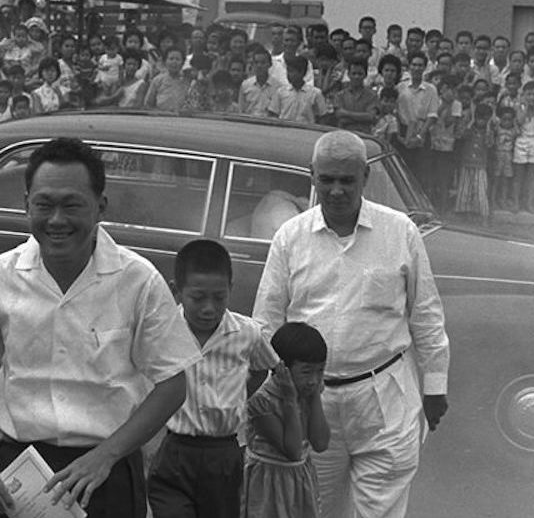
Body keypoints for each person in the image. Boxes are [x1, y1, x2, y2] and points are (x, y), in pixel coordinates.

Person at [0, 138, 202, 518]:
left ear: (100, 207)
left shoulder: (138, 280)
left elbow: (173, 384)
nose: (57, 220)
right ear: (26, 204)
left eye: (72, 205)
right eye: (44, 205)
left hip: (104, 474)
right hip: (18, 471)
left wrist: (105, 455)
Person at [253, 130, 450, 518]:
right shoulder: (290, 238)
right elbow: (267, 323)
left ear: (365, 177)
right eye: (327, 179)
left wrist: (435, 387)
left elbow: (426, 316)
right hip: (313, 401)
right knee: (313, 508)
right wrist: (269, 397)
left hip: (385, 399)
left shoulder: (400, 232)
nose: (337, 190)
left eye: (347, 180)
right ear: (312, 176)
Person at [147, 240, 278, 518]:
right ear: (176, 291)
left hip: (223, 453)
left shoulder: (248, 333)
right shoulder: (163, 331)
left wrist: (236, 396)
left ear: (231, 289)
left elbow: (263, 367)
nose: (208, 308)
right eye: (198, 298)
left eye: (219, 298)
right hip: (175, 451)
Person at [241, 323, 330, 518]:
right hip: (268, 482)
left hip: (300, 480)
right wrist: (290, 400)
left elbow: (321, 443)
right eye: (306, 372)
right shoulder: (261, 401)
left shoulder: (309, 392)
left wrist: (314, 397)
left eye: (320, 371)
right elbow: (293, 450)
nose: (314, 380)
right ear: (282, 369)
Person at [396, 51, 439, 184]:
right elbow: (396, 112)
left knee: (421, 172)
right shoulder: (400, 87)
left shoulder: (431, 89)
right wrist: (400, 135)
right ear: (409, 67)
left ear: (425, 67)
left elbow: (432, 115)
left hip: (423, 131)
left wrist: (420, 136)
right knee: (403, 170)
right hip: (404, 131)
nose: (417, 68)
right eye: (414, 65)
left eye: (420, 65)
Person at [429, 74, 462, 214]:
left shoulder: (456, 104)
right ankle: (431, 204)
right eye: (448, 89)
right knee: (432, 175)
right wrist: (442, 104)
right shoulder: (435, 101)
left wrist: (447, 105)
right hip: (432, 142)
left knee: (444, 176)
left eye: (454, 90)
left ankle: (442, 207)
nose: (452, 93)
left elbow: (449, 121)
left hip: (448, 146)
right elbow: (431, 117)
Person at [455, 103, 494, 224]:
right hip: (467, 163)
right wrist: (471, 122)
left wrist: (488, 127)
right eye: (479, 118)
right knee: (465, 190)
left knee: (481, 190)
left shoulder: (489, 132)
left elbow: (489, 143)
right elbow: (461, 135)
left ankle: (484, 216)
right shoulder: (470, 130)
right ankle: (464, 214)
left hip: (480, 165)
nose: (481, 121)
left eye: (485, 119)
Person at [512, 80, 534, 212]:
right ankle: (515, 202)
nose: (531, 97)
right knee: (518, 175)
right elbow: (519, 121)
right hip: (521, 141)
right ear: (524, 95)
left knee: (532, 175)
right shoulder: (520, 107)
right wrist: (524, 107)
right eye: (529, 94)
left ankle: (529, 202)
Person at [267, 56, 328, 124]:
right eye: (288, 71)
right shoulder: (280, 92)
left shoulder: (315, 93)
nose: (288, 75)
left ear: (301, 72)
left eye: (292, 71)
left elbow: (322, 117)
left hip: (306, 131)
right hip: (284, 130)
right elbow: (273, 114)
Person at [333, 58, 378, 133]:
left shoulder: (372, 96)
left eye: (360, 74)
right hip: (344, 134)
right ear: (348, 74)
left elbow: (370, 117)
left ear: (365, 75)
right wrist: (362, 118)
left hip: (365, 136)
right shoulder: (340, 95)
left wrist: (346, 113)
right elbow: (339, 117)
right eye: (354, 73)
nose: (356, 77)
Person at [144, 46, 188, 112]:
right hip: (161, 117)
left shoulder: (187, 80)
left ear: (183, 63)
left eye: (177, 59)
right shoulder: (157, 80)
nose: (174, 62)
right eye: (171, 59)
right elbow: (148, 104)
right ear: (165, 61)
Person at [492, 106, 520, 210]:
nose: (507, 122)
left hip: (508, 157)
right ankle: (493, 199)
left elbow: (518, 131)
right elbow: (493, 124)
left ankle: (503, 200)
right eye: (504, 119)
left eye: (509, 120)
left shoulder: (513, 130)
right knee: (496, 179)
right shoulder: (498, 129)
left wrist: (515, 122)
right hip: (498, 155)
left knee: (505, 180)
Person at [239, 48, 279, 117]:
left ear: (270, 64)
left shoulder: (277, 87)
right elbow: (241, 110)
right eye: (256, 62)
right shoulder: (245, 85)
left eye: (263, 62)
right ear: (252, 64)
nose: (259, 66)